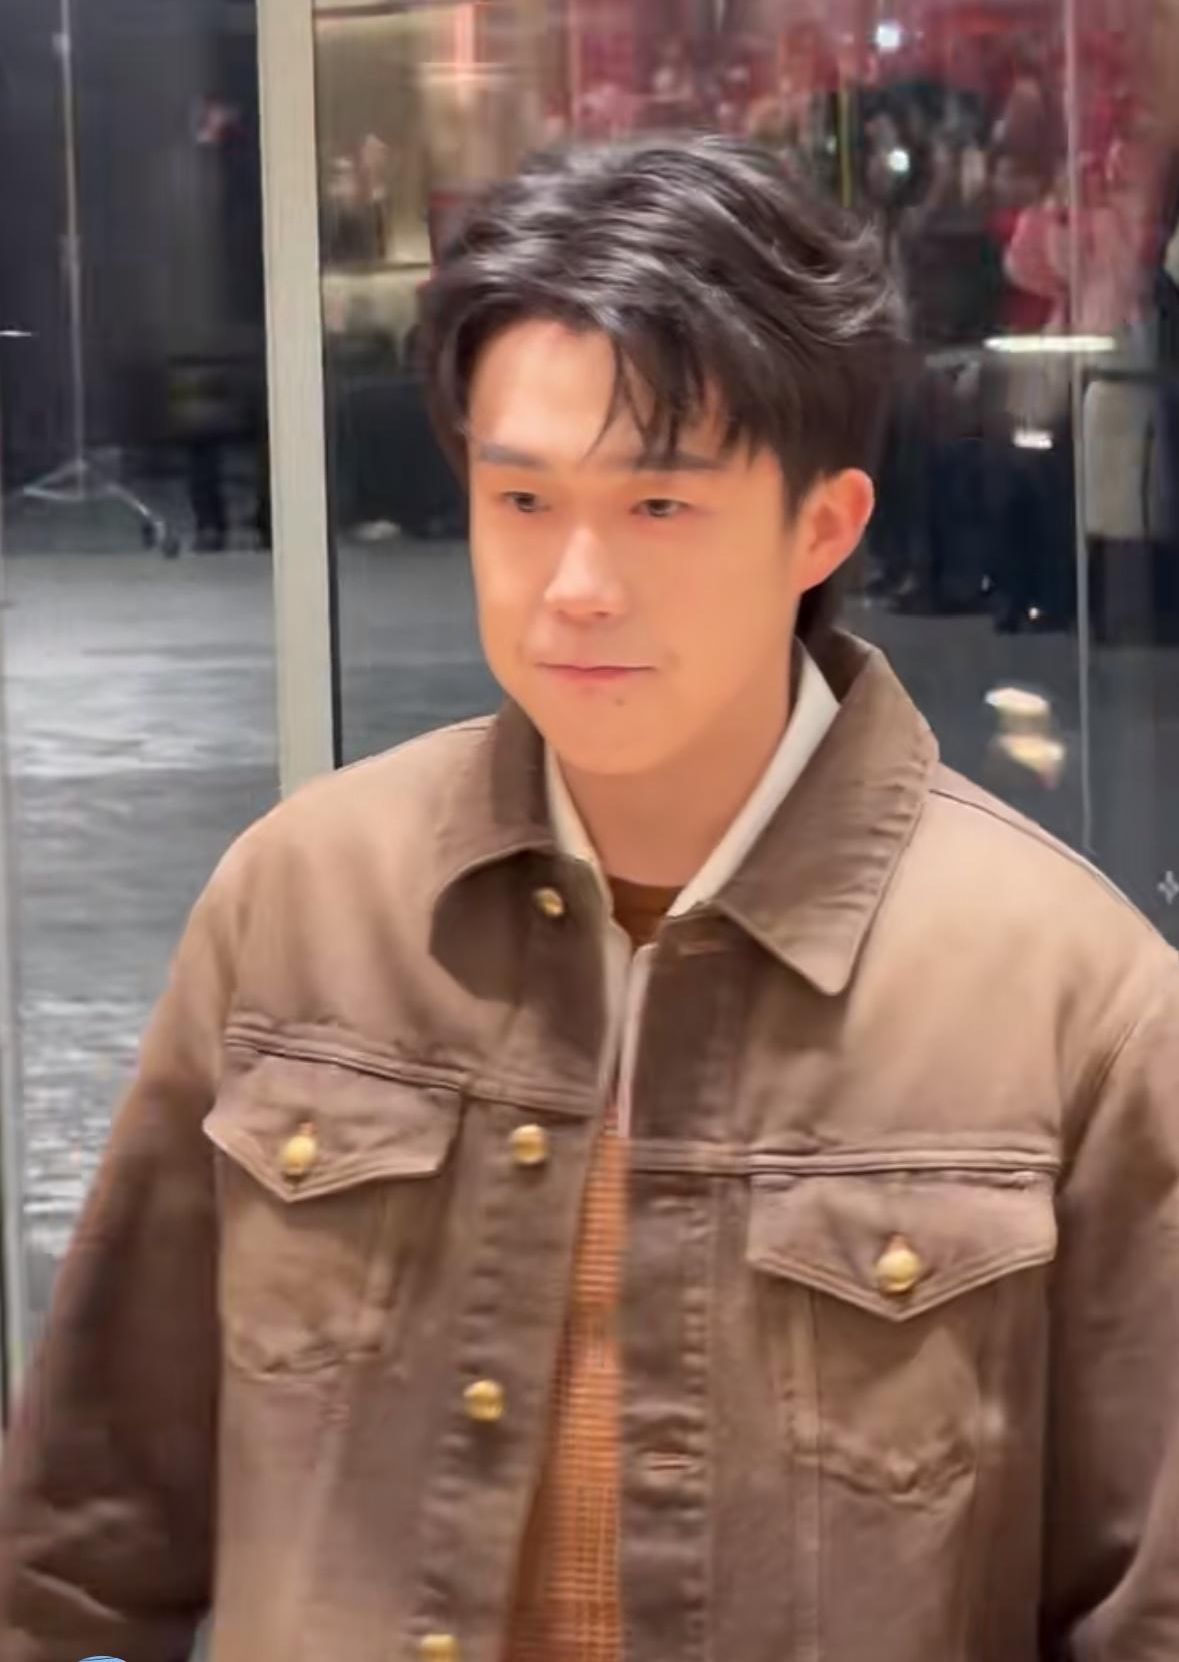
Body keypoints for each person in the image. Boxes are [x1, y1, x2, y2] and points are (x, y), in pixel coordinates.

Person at [1, 136, 1178, 1662]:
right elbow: (84, 1539)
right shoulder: (303, 904)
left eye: (660, 505)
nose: (574, 584)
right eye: (522, 498)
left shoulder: (1074, 1000)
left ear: (822, 526)